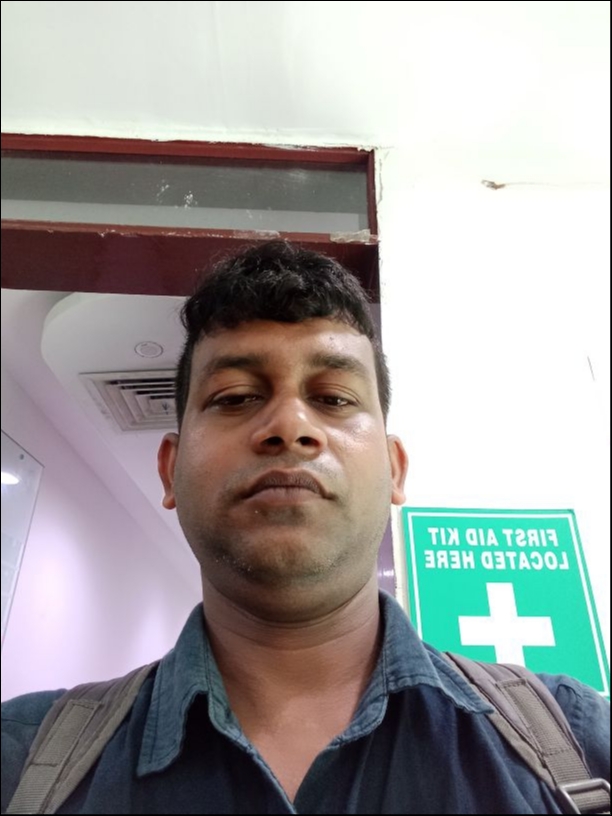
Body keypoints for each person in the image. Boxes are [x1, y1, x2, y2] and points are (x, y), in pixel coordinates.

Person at [1, 240, 609, 814]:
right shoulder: (20, 764)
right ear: (170, 470)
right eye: (235, 396)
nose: (289, 426)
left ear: (394, 470)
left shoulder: (580, 744)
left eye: (335, 398)